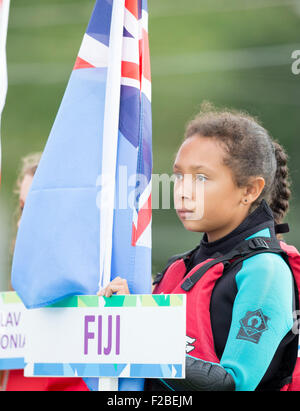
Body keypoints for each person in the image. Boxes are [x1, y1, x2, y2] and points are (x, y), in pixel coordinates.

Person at [99, 102, 300, 391]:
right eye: (179, 176)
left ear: (250, 190)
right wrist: (126, 311)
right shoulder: (179, 267)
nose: (182, 191)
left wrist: (136, 332)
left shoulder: (265, 271)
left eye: (201, 178)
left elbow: (234, 384)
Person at [0, 152, 89, 391]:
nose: (20, 223)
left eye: (35, 209)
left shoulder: (97, 297)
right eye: (22, 208)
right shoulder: (17, 294)